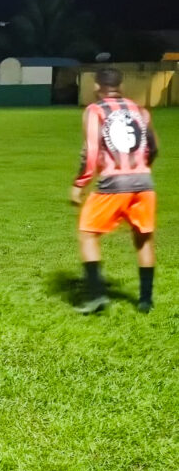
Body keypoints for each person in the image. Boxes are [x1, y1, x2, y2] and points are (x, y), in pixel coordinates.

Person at [71, 68, 160, 314]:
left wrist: (79, 184)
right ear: (120, 85)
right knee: (143, 241)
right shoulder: (140, 111)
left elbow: (90, 153)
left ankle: (98, 295)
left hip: (113, 184)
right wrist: (140, 171)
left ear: (97, 86)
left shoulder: (95, 111)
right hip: (144, 183)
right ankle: (145, 300)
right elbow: (152, 148)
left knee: (88, 234)